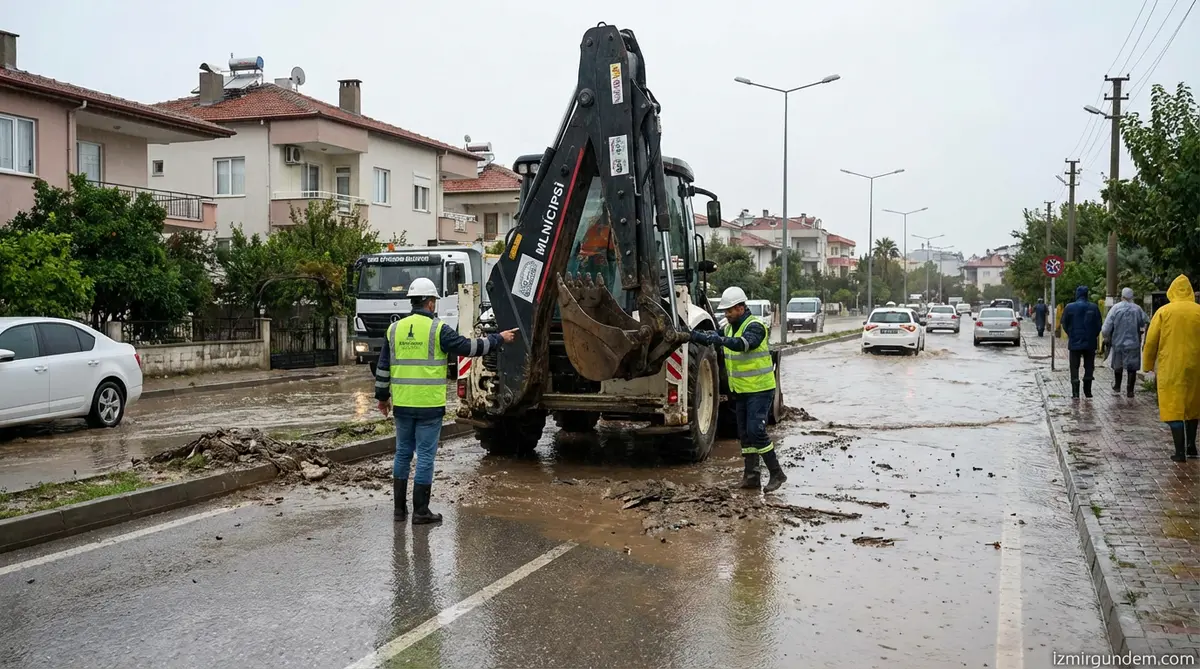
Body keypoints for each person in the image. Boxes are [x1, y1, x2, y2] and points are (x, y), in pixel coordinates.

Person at [375, 277, 517, 523]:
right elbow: (469, 347)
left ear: (412, 302)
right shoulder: (438, 329)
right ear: (430, 303)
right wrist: (499, 339)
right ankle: (421, 511)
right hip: (429, 406)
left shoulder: (394, 329)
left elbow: (383, 368)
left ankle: (399, 511)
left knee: (402, 454)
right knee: (426, 456)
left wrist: (382, 398)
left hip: (403, 405)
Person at [689, 286, 787, 492]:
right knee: (744, 434)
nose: (726, 314)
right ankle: (751, 476)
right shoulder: (730, 327)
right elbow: (714, 335)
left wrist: (715, 339)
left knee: (756, 431)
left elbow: (743, 344)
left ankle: (777, 473)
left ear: (741, 308)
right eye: (725, 311)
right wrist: (692, 335)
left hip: (760, 390)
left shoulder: (756, 326)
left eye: (730, 310)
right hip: (741, 391)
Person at [1142, 275, 1200, 462]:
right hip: (1195, 366)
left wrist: (1148, 365)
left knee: (1173, 406)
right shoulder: (1198, 311)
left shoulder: (1163, 312)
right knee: (1193, 405)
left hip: (1171, 366)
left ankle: (1179, 451)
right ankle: (1191, 446)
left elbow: (1151, 342)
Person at [1101, 287, 1150, 397]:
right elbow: (1146, 321)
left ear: (1122, 296)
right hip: (1133, 342)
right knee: (1132, 367)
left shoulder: (1115, 308)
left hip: (1118, 342)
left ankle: (1117, 386)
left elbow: (1106, 328)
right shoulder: (1137, 309)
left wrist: (1106, 337)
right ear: (1132, 297)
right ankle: (1130, 390)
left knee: (1118, 365)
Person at [1060, 285, 1103, 399]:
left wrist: (1071, 333)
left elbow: (1064, 323)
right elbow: (1099, 325)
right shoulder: (1093, 307)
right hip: (1090, 342)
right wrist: (1093, 335)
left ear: (1077, 294)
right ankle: (1088, 391)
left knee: (1074, 367)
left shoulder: (1069, 307)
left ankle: (1075, 393)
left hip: (1074, 342)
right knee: (1089, 366)